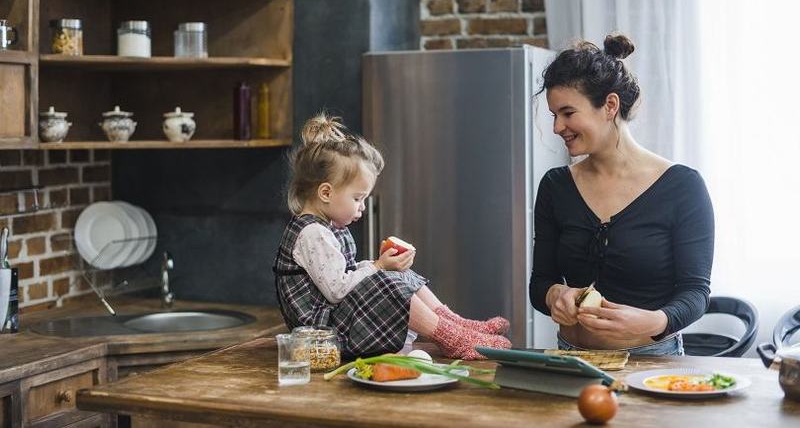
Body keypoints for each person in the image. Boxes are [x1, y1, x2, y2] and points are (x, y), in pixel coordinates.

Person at [529, 33, 714, 355]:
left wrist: (657, 321)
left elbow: (695, 292)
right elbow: (540, 283)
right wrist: (555, 294)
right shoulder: (555, 186)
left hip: (651, 361)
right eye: (553, 115)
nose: (558, 127)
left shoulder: (683, 187)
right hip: (570, 358)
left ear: (610, 106)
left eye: (568, 113)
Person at [274, 113, 511, 360]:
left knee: (396, 274)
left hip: (336, 318)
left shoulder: (326, 227)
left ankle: (455, 324)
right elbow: (336, 290)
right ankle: (451, 337)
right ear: (326, 192)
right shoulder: (313, 233)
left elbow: (340, 276)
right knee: (388, 284)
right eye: (357, 198)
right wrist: (377, 267)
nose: (362, 207)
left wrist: (378, 267)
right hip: (324, 333)